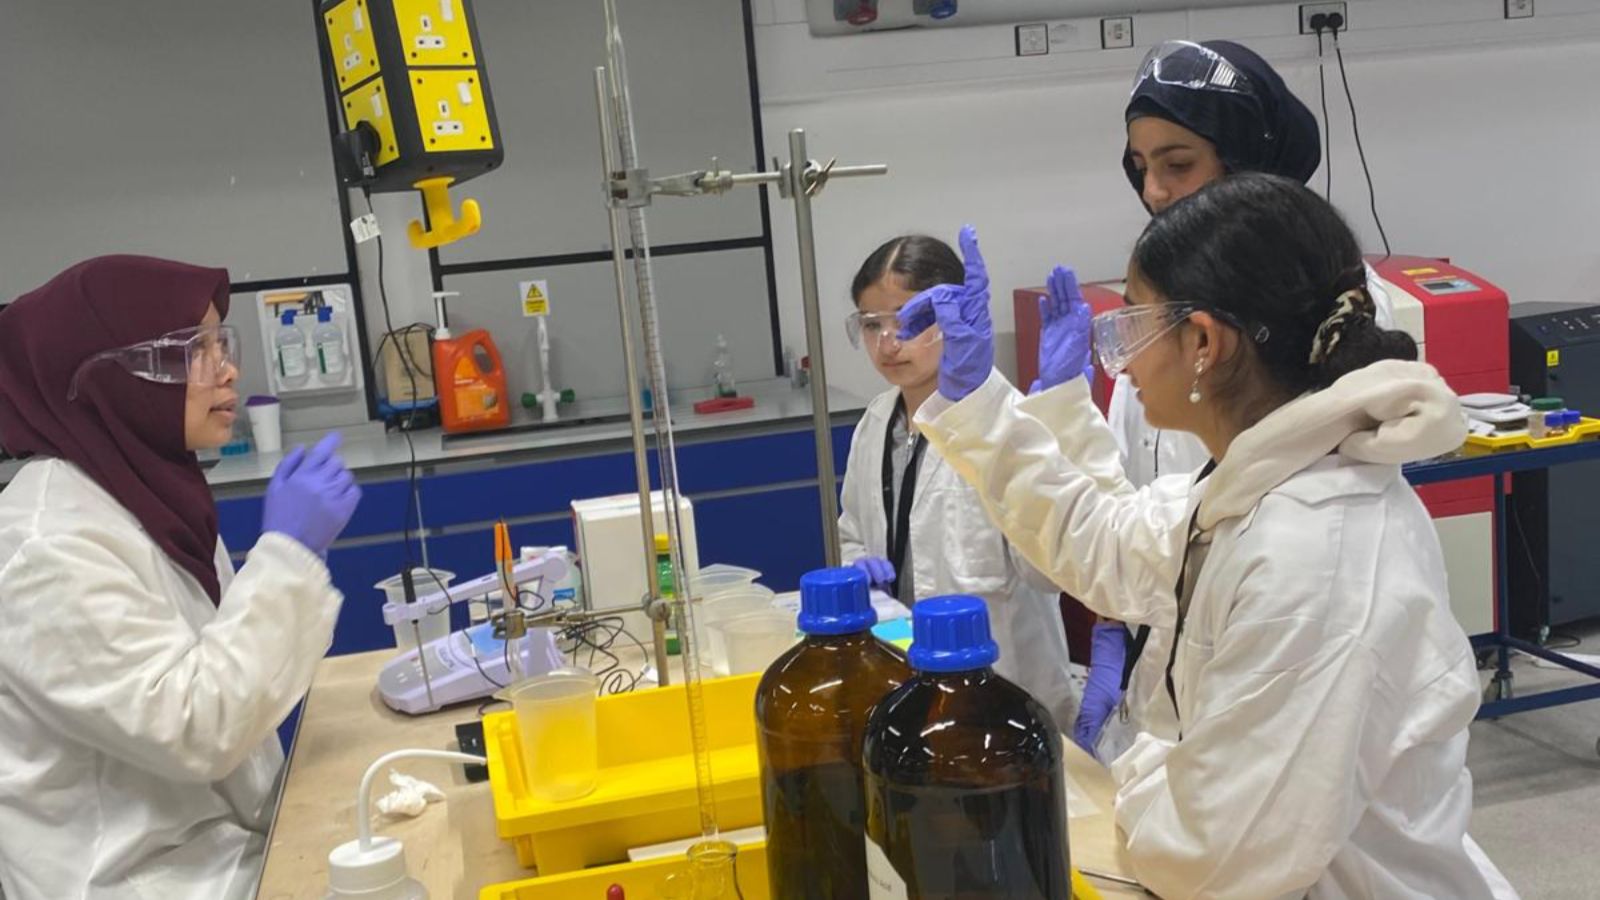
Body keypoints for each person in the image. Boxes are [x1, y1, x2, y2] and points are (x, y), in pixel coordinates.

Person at [900, 176, 1516, 898]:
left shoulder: (1314, 555)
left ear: (1203, 342)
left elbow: (1215, 855)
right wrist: (981, 404)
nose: (1119, 357)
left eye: (1131, 323)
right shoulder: (1256, 489)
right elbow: (1107, 542)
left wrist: (1139, 764)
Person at [1039, 38, 1399, 757]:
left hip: (1263, 631)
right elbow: (1137, 489)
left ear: (1248, 161)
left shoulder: (1332, 305)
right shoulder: (1169, 305)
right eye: (1141, 169)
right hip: (1175, 629)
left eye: (1178, 164)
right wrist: (1119, 624)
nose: (1154, 192)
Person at [0, 256, 362, 900]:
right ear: (106, 376)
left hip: (226, 851)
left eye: (224, 343)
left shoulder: (142, 496)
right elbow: (196, 727)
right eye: (196, 350)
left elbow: (227, 674)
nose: (227, 369)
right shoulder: (44, 547)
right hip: (141, 880)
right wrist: (287, 554)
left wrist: (288, 563)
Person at [837, 233, 1080, 729]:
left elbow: (1048, 573)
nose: (888, 342)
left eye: (907, 321)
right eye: (871, 324)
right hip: (905, 675)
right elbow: (853, 529)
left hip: (1005, 688)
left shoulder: (1005, 423)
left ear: (952, 317)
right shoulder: (875, 422)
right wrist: (857, 566)